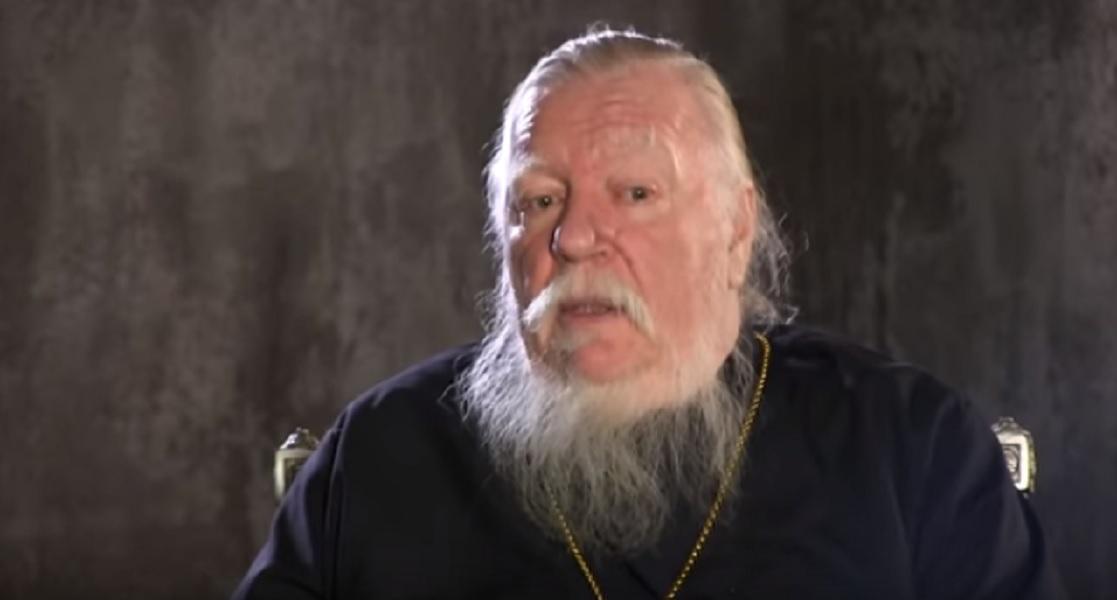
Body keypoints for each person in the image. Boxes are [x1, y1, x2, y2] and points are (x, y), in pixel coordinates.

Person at [232, 27, 1063, 599]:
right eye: (538, 200)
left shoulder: (908, 447)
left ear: (734, 229)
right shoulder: (382, 456)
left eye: (634, 193)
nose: (574, 236)